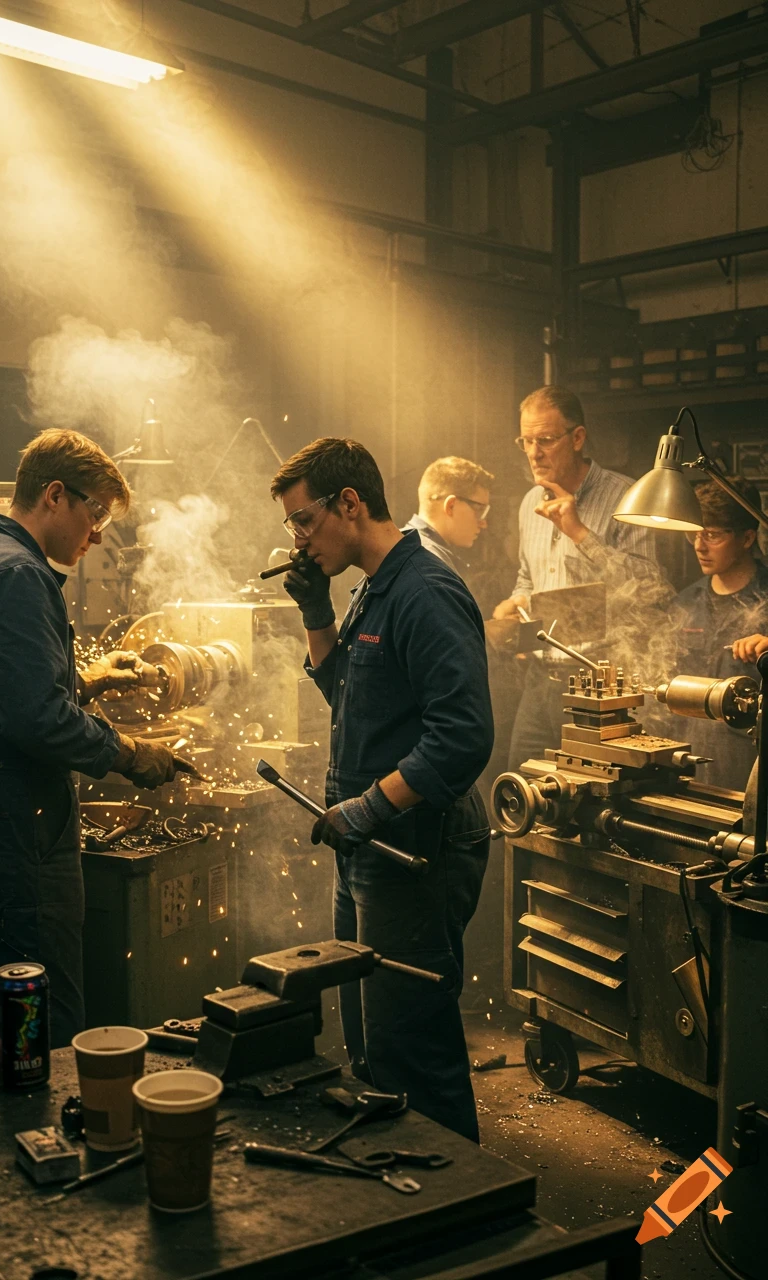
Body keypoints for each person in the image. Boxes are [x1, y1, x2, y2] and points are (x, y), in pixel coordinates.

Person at [0, 429, 198, 1047]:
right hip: (8, 818)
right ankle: (39, 1137)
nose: (97, 534)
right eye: (94, 513)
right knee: (33, 1014)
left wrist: (89, 678)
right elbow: (35, 719)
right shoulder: (20, 575)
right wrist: (128, 752)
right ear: (53, 495)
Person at [270, 437, 494, 1141]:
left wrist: (367, 808)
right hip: (371, 846)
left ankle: (464, 1224)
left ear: (350, 503)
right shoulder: (375, 587)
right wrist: (316, 614)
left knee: (411, 1047)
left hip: (414, 847)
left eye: (304, 521)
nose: (299, 542)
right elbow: (350, 694)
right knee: (370, 1042)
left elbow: (462, 738)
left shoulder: (424, 591)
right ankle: (402, 1201)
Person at [492, 385, 665, 767]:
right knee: (524, 798)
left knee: (589, 805)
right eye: (526, 440)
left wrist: (579, 533)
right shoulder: (528, 503)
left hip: (600, 683)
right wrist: (516, 603)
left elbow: (649, 588)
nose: (534, 453)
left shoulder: (625, 497)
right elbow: (527, 578)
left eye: (547, 440)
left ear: (578, 438)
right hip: (540, 679)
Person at [675, 478, 768, 791]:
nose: (699, 545)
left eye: (712, 535)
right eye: (695, 534)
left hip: (750, 770)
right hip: (689, 764)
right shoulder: (685, 603)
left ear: (747, 538)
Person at [402, 456, 494, 584]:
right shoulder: (431, 566)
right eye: (479, 510)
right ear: (451, 505)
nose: (483, 523)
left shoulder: (402, 546)